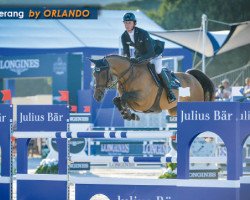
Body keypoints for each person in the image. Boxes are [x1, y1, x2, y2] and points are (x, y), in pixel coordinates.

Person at [121, 12, 176, 103]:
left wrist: (138, 60)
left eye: (129, 22)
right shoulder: (124, 36)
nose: (127, 25)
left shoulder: (143, 33)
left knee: (157, 70)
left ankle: (170, 92)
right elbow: (126, 53)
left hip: (154, 52)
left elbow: (150, 53)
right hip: (140, 54)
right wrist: (128, 62)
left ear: (134, 23)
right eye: (125, 23)